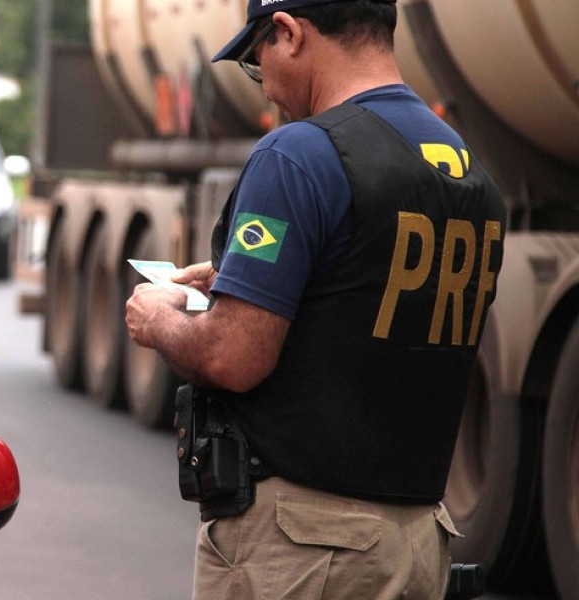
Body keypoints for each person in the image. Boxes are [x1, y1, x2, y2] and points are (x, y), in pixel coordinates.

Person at [124, 0, 506, 597]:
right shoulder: (469, 172)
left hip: (303, 546)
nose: (267, 90)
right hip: (416, 539)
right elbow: (365, 303)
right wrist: (253, 283)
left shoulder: (297, 154)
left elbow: (233, 357)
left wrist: (159, 318)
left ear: (288, 32)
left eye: (257, 62)